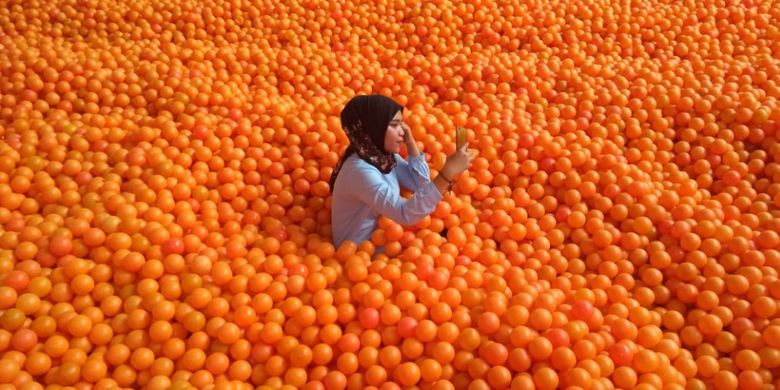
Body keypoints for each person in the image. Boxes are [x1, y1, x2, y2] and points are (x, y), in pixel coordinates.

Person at [329, 94, 475, 248]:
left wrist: (411, 142)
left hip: (387, 234)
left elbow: (419, 184)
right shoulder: (359, 171)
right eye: (394, 125)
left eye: (401, 124)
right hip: (359, 252)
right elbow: (404, 213)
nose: (402, 131)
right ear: (375, 128)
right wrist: (447, 173)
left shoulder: (380, 156)